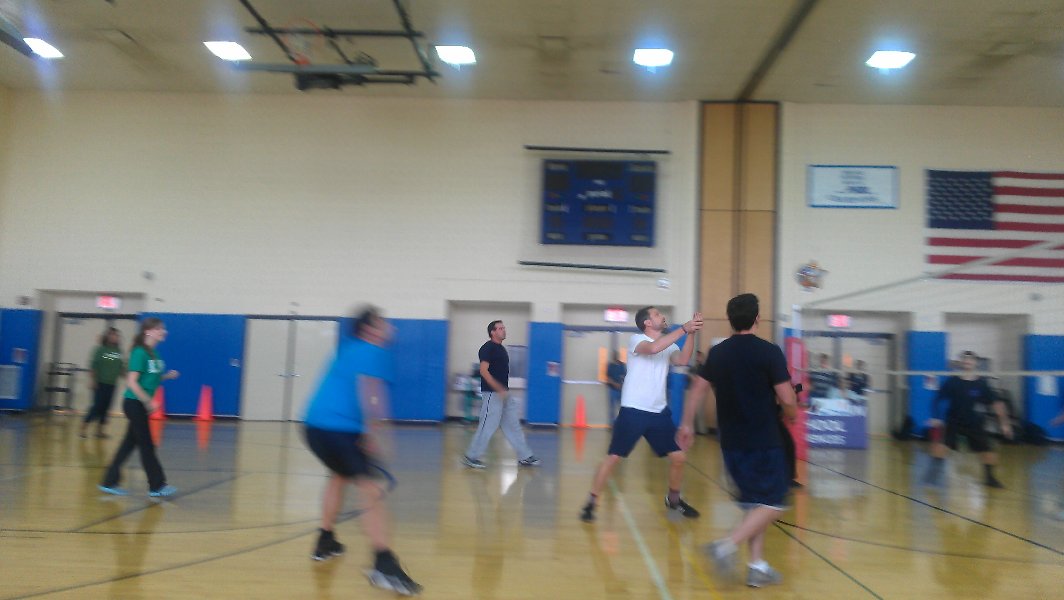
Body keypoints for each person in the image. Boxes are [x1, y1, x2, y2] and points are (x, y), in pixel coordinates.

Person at [679, 293, 798, 588]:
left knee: (754, 505)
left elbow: (697, 390)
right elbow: (787, 398)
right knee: (775, 502)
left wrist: (685, 424)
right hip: (764, 441)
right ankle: (725, 546)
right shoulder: (769, 352)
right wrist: (792, 412)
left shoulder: (718, 353)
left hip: (731, 442)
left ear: (731, 320)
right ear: (757, 318)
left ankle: (757, 567)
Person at [302, 306, 421, 595]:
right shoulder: (375, 351)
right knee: (370, 489)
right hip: (340, 430)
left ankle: (325, 540)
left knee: (339, 477)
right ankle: (384, 564)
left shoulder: (348, 348)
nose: (389, 327)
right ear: (370, 329)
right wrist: (377, 434)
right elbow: (373, 395)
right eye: (383, 323)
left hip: (313, 426)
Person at [580, 307, 703, 523]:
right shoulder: (637, 340)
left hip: (658, 413)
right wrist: (684, 328)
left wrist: (691, 333)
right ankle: (591, 502)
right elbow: (654, 348)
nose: (662, 317)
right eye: (657, 315)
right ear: (647, 322)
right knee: (614, 458)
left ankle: (674, 500)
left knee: (679, 458)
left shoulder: (669, 344)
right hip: (634, 410)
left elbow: (682, 360)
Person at [98, 318, 179, 497]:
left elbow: (151, 378)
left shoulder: (154, 354)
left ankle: (109, 481)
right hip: (134, 403)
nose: (163, 332)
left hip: (139, 404)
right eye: (159, 329)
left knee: (128, 444)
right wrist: (148, 401)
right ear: (148, 331)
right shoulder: (139, 352)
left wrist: (167, 377)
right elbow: (132, 382)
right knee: (147, 445)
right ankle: (157, 485)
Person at [923, 351, 1013, 489]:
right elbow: (937, 399)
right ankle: (932, 476)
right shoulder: (952, 381)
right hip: (953, 421)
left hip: (975, 422)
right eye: (965, 359)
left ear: (976, 363)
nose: (967, 362)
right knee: (941, 447)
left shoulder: (982, 384)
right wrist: (935, 418)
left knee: (988, 451)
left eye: (971, 360)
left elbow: (997, 404)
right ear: (961, 363)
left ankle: (990, 478)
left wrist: (1004, 424)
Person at [462, 320, 540, 469]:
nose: (504, 330)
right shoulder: (487, 348)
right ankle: (471, 456)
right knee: (487, 426)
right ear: (492, 332)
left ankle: (524, 456)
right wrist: (497, 388)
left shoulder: (502, 349)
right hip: (492, 393)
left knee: (513, 426)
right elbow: (484, 371)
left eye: (504, 328)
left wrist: (503, 390)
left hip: (504, 393)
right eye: (500, 328)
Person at [80, 327, 124, 439]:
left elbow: (121, 367)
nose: (114, 337)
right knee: (97, 407)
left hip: (112, 384)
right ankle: (83, 428)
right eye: (112, 335)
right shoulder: (100, 350)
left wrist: (129, 375)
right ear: (107, 336)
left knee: (106, 408)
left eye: (116, 335)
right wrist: (93, 380)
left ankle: (99, 431)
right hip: (100, 383)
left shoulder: (118, 352)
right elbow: (94, 366)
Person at [605, 352, 626, 425]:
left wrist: (621, 384)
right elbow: (608, 378)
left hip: (621, 390)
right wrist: (615, 384)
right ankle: (612, 424)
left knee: (622, 407)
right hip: (613, 389)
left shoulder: (622, 365)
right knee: (612, 407)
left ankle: (621, 422)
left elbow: (624, 376)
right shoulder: (610, 366)